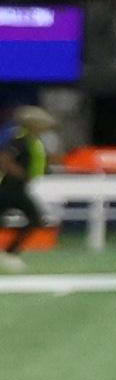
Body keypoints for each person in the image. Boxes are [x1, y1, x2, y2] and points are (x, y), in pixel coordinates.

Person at [0, 105, 50, 265]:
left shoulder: (32, 141)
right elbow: (5, 159)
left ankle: (10, 252)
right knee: (35, 218)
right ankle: (10, 253)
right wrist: (22, 175)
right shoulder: (19, 139)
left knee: (35, 219)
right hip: (9, 187)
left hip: (18, 188)